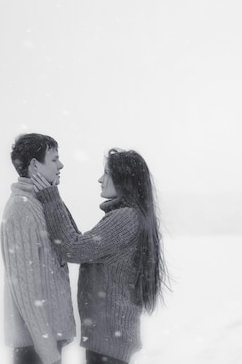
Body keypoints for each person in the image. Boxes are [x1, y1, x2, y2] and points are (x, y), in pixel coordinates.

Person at [32, 148, 167, 364]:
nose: (100, 179)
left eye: (107, 173)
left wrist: (51, 198)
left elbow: (73, 248)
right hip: (109, 339)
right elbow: (80, 242)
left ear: (125, 179)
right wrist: (53, 199)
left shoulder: (125, 218)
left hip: (109, 342)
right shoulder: (129, 216)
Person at [1, 133, 76, 364]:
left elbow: (72, 242)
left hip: (47, 340)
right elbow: (25, 288)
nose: (61, 165)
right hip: (36, 348)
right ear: (34, 165)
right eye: (54, 159)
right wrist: (47, 352)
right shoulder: (22, 209)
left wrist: (52, 196)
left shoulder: (41, 202)